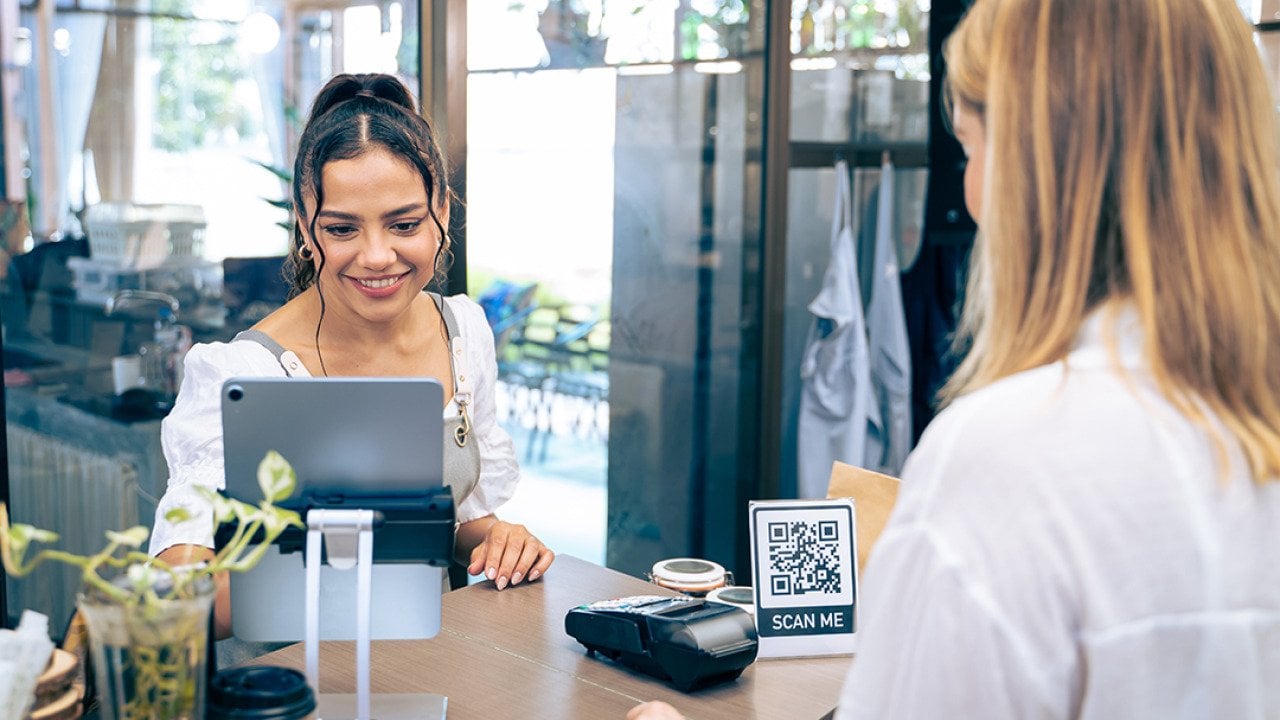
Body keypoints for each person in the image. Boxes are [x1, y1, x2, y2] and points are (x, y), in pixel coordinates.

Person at [631, 0, 1280, 717]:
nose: (969, 195)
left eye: (971, 149)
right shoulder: (1247, 425)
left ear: (1045, 173)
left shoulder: (1012, 460)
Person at [149, 72, 555, 638]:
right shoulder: (243, 372)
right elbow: (175, 601)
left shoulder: (462, 331)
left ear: (442, 208)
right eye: (342, 229)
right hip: (294, 688)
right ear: (304, 226)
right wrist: (329, 575)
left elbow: (461, 518)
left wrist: (500, 541)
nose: (377, 256)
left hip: (436, 668)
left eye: (405, 224)